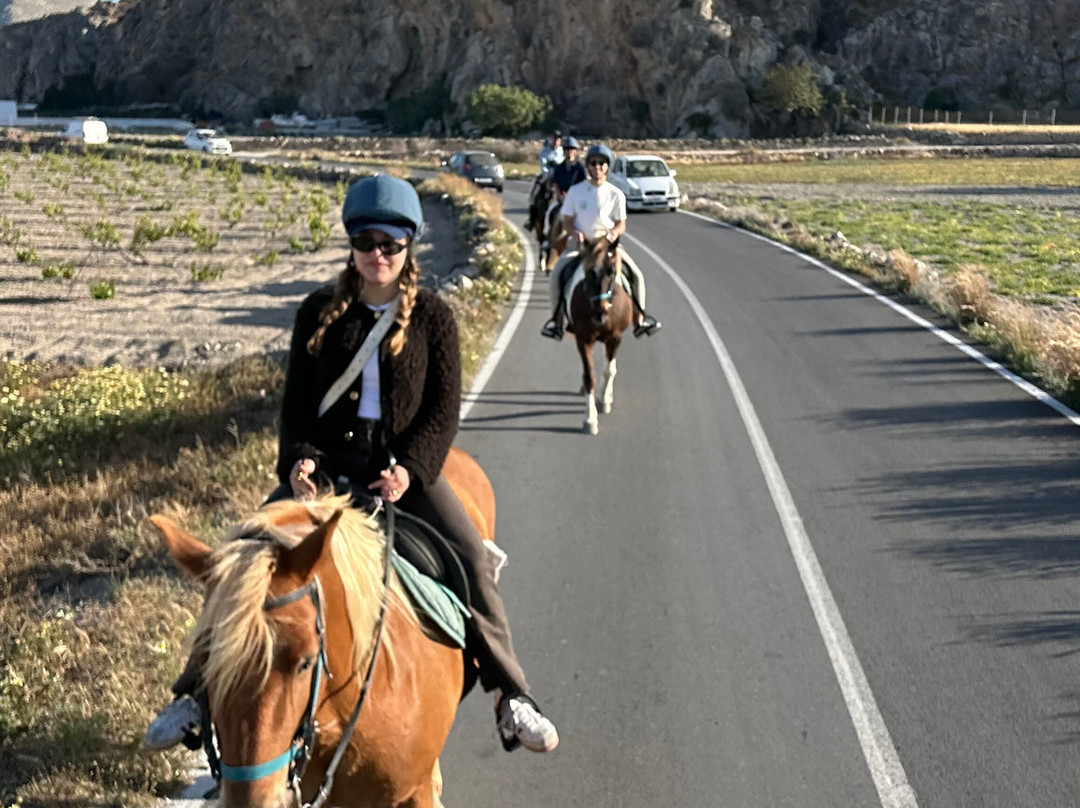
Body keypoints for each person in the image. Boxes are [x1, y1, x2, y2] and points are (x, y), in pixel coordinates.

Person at [144, 174, 559, 755]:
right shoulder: (317, 312)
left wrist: (409, 470)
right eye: (366, 242)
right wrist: (299, 461)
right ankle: (193, 694)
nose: (377, 255)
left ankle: (511, 695)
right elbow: (296, 408)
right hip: (326, 475)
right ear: (351, 244)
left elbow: (442, 414)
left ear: (408, 246)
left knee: (471, 560)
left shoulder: (434, 318)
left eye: (390, 244)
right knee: (240, 561)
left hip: (404, 478)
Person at [541, 144, 661, 340]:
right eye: (593, 163)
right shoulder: (576, 192)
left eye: (601, 163)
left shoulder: (616, 194)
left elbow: (621, 224)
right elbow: (567, 220)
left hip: (606, 247)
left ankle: (640, 320)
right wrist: (575, 232)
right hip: (580, 246)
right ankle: (557, 322)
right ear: (588, 166)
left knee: (637, 275)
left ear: (607, 167)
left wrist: (614, 233)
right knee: (556, 274)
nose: (597, 167)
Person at [540, 136, 586, 243]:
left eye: (572, 150)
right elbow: (555, 184)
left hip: (576, 200)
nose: (569, 152)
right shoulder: (559, 168)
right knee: (549, 212)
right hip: (561, 198)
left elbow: (584, 185)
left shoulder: (580, 168)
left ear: (575, 152)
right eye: (567, 150)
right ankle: (547, 235)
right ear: (564, 151)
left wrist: (572, 196)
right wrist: (560, 196)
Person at [526, 130, 563, 231]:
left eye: (558, 140)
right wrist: (549, 175)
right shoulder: (544, 152)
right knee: (535, 192)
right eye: (554, 139)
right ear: (551, 139)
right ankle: (531, 220)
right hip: (547, 176)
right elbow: (544, 166)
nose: (556, 142)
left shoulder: (562, 152)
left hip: (560, 177)